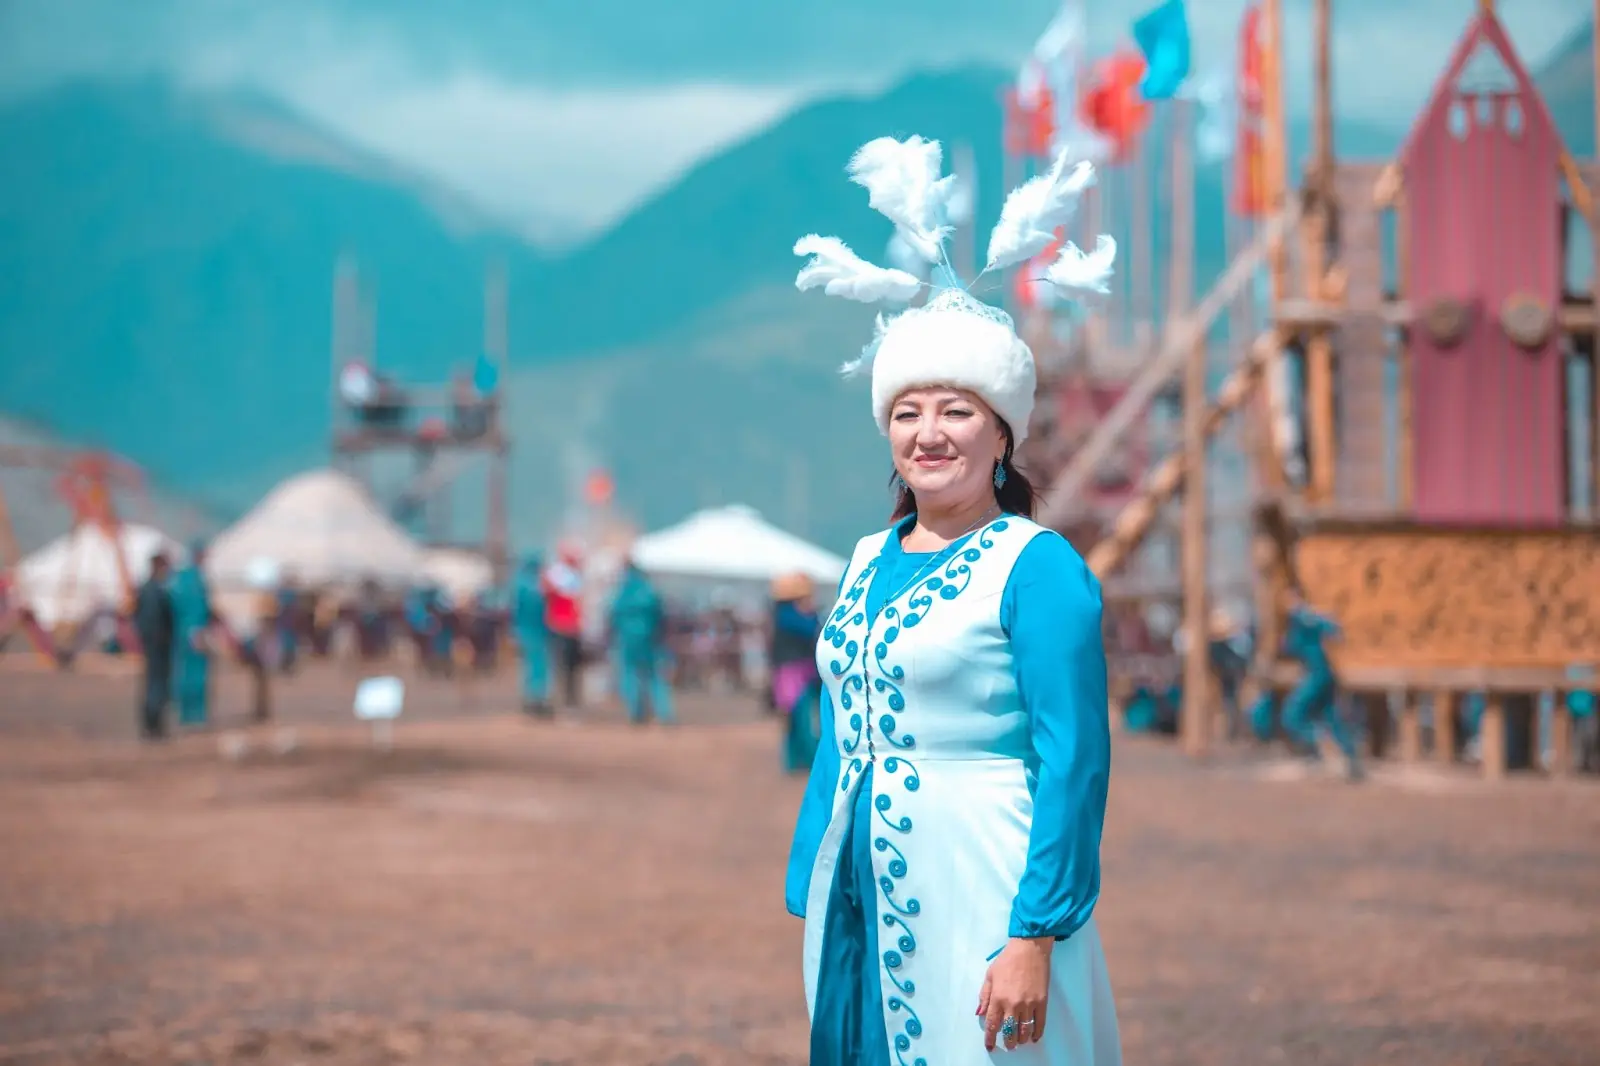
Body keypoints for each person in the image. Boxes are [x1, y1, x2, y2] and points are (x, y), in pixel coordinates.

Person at [784, 135, 1121, 1064]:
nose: (929, 434)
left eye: (956, 411)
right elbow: (840, 727)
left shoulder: (1036, 564)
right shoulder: (860, 560)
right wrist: (810, 874)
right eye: (907, 412)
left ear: (1001, 433)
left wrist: (1035, 932)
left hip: (988, 877)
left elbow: (1074, 761)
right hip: (858, 882)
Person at [1281, 589, 1363, 780]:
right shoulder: (1300, 619)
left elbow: (1332, 629)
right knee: (1331, 716)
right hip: (1321, 673)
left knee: (1292, 714)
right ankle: (1349, 758)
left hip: (1317, 674)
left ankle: (1322, 743)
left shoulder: (1303, 616)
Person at [607, 559, 673, 725]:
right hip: (650, 638)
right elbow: (661, 615)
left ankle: (636, 713)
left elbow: (613, 615)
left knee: (630, 675)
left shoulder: (622, 591)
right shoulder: (649, 590)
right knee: (654, 676)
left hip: (628, 640)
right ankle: (664, 714)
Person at [769, 572, 822, 772]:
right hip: (795, 675)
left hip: (791, 674)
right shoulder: (789, 616)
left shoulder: (780, 614)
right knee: (803, 719)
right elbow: (811, 630)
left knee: (794, 720)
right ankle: (808, 760)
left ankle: (793, 761)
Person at [169, 540, 215, 728]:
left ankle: (188, 713)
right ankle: (194, 714)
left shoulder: (180, 578)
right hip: (194, 631)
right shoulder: (193, 580)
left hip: (183, 632)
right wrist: (197, 632)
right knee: (194, 674)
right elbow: (196, 609)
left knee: (184, 671)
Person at [132, 551, 175, 740]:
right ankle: (153, 726)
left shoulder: (147, 589)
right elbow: (154, 619)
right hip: (158, 644)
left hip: (153, 644)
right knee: (156, 684)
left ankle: (152, 725)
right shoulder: (155, 591)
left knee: (153, 683)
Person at [542, 545, 585, 709]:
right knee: (562, 668)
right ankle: (561, 701)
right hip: (561, 629)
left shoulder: (569, 576)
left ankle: (567, 701)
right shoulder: (557, 575)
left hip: (569, 629)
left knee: (570, 668)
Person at [512, 553, 552, 716]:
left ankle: (532, 700)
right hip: (538, 632)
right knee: (539, 667)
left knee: (530, 667)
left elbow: (515, 611)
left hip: (526, 632)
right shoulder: (539, 587)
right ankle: (537, 700)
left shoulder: (520, 585)